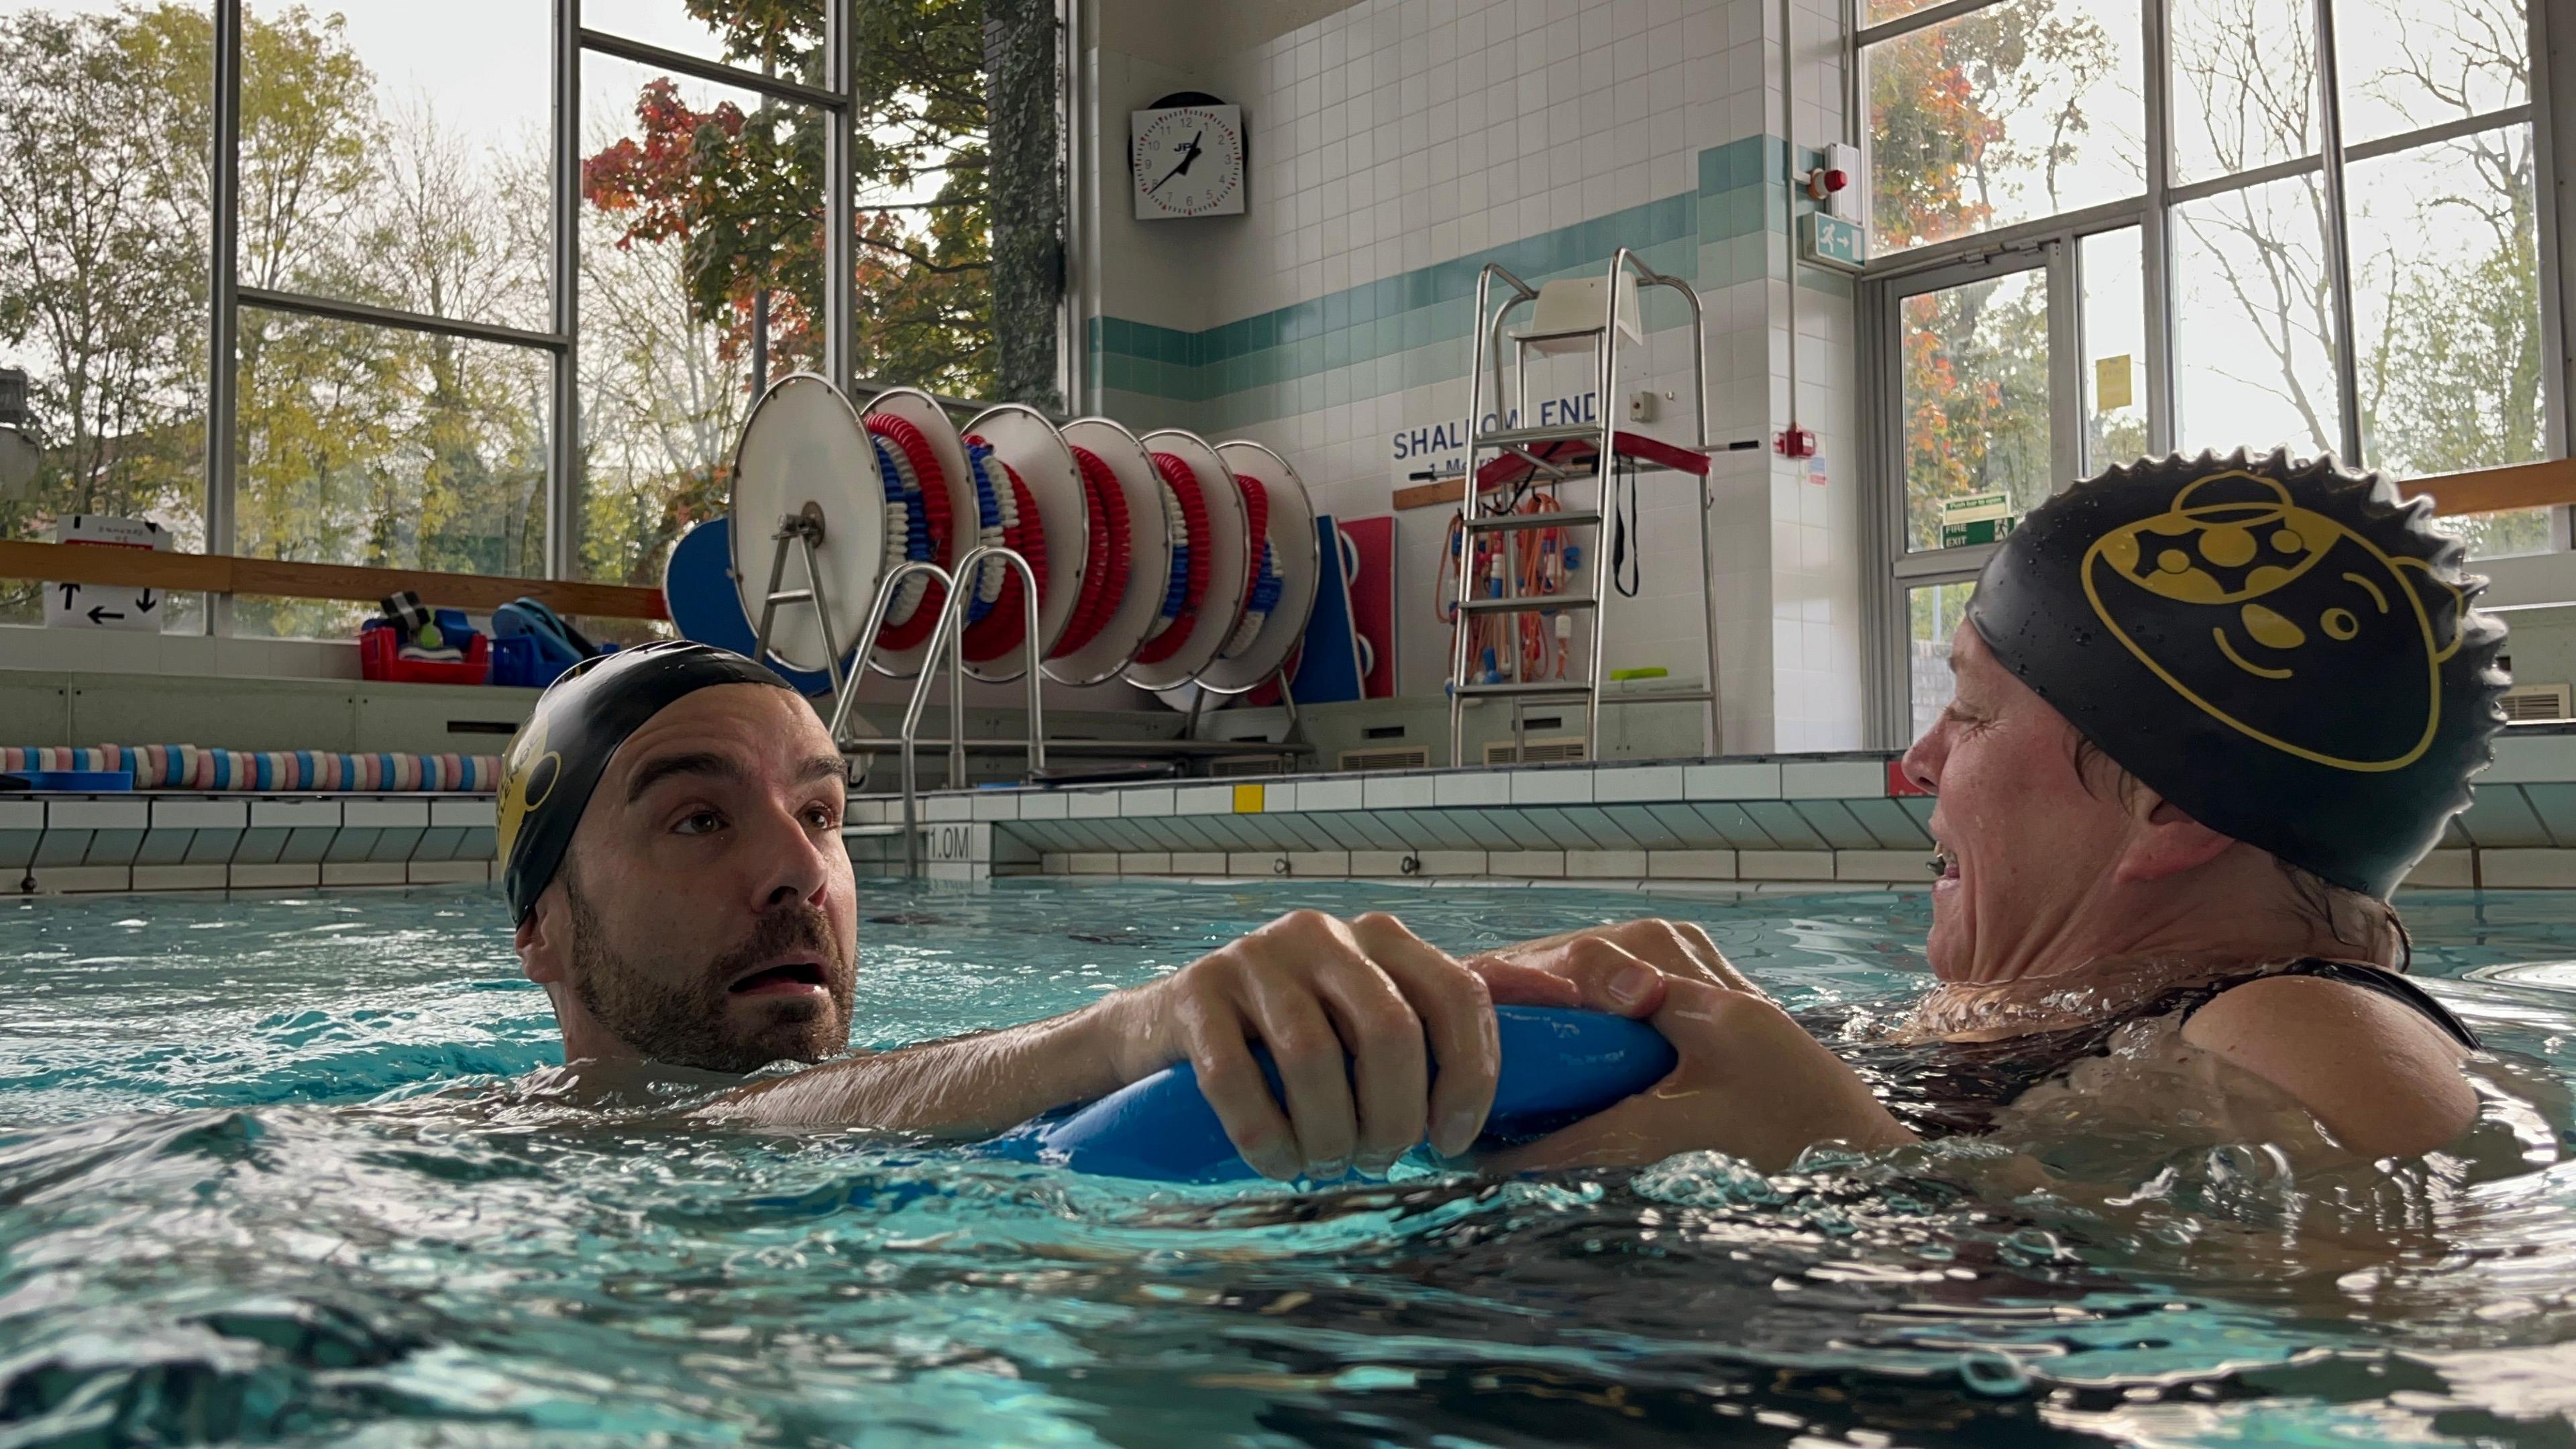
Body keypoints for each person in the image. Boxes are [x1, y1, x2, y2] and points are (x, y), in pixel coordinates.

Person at [1477, 449, 2506, 1175]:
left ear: (2169, 811)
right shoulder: (2081, 1012)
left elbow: (2404, 1320)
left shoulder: (2303, 1024)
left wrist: (1846, 1154)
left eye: (1971, 711)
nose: (1919, 761)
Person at [495, 639, 1648, 1181]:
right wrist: (1132, 1028)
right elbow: (675, 1135)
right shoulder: (443, 1156)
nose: (799, 868)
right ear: (541, 927)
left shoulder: (949, 1099)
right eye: (699, 820)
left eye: (824, 811)